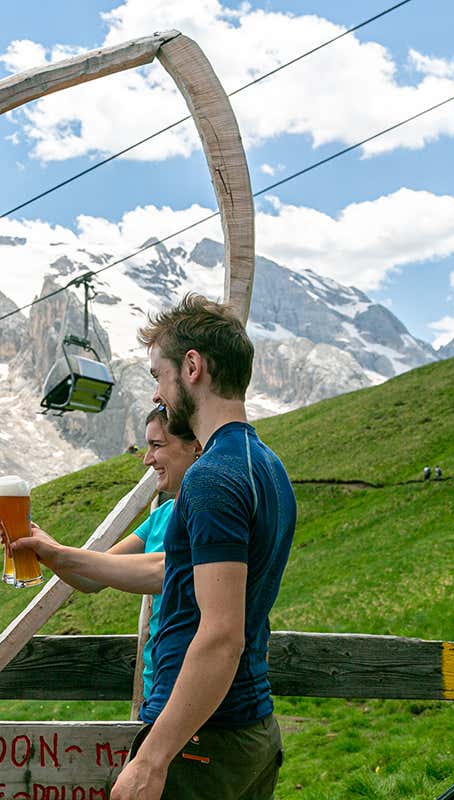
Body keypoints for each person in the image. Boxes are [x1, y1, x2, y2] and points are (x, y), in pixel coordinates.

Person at [110, 295, 296, 800]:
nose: (158, 394)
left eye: (158, 376)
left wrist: (151, 759)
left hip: (201, 741)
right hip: (247, 725)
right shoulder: (268, 465)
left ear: (192, 367)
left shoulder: (211, 477)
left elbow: (220, 636)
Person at [14, 406, 201, 701]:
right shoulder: (163, 514)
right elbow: (93, 578)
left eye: (157, 445)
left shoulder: (208, 512)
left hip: (193, 685)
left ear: (195, 446)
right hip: (158, 682)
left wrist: (59, 554)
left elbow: (165, 569)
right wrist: (44, 545)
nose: (147, 458)